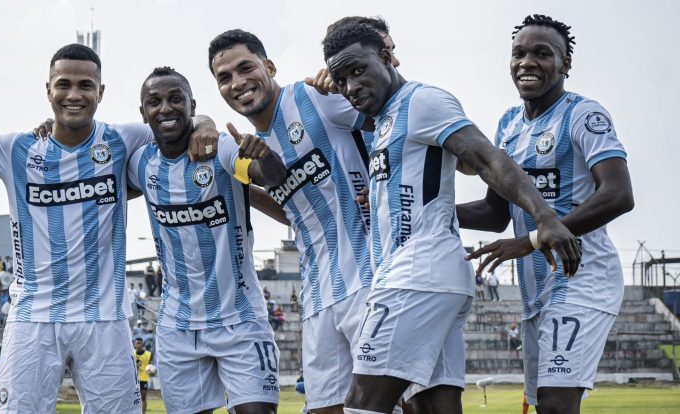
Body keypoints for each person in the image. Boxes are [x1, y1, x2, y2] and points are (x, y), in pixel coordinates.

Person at [0, 44, 212, 413]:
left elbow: (177, 122)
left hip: (104, 317)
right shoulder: (17, 148)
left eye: (85, 85)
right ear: (48, 90)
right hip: (34, 318)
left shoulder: (123, 139)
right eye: (63, 84)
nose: (74, 94)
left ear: (101, 92)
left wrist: (205, 123)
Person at [322, 22, 581, 413]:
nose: (351, 86)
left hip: (416, 275)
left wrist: (544, 215)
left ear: (387, 58)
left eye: (358, 71)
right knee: (433, 407)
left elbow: (487, 157)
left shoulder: (422, 101)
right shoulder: (388, 118)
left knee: (362, 404)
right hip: (426, 276)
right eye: (341, 79)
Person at [459, 15, 634, 414]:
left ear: (565, 64)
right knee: (543, 407)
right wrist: (426, 208)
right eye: (518, 53)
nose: (527, 63)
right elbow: (494, 212)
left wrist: (534, 239)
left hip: (582, 278)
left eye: (542, 53)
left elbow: (619, 194)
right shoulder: (508, 125)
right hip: (536, 293)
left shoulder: (584, 115)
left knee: (556, 404)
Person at [209, 29, 375, 414]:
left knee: (389, 402)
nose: (238, 82)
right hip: (318, 294)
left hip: (371, 277)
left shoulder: (316, 98)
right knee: (325, 408)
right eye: (225, 77)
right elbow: (287, 197)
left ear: (268, 66)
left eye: (245, 68)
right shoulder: (243, 145)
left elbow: (392, 115)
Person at [128, 65, 286, 414]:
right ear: (143, 113)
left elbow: (269, 176)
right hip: (177, 328)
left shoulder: (222, 150)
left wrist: (265, 157)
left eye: (175, 99)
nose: (165, 108)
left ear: (192, 105)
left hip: (240, 320)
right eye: (154, 101)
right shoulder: (139, 163)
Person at [133, 338, 152, 414]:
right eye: (137, 343)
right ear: (134, 344)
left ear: (142, 344)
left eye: (140, 343)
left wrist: (151, 371)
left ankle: (143, 413)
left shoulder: (148, 354)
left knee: (143, 397)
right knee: (132, 397)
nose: (138, 344)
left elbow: (150, 366)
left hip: (143, 378)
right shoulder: (132, 353)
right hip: (133, 379)